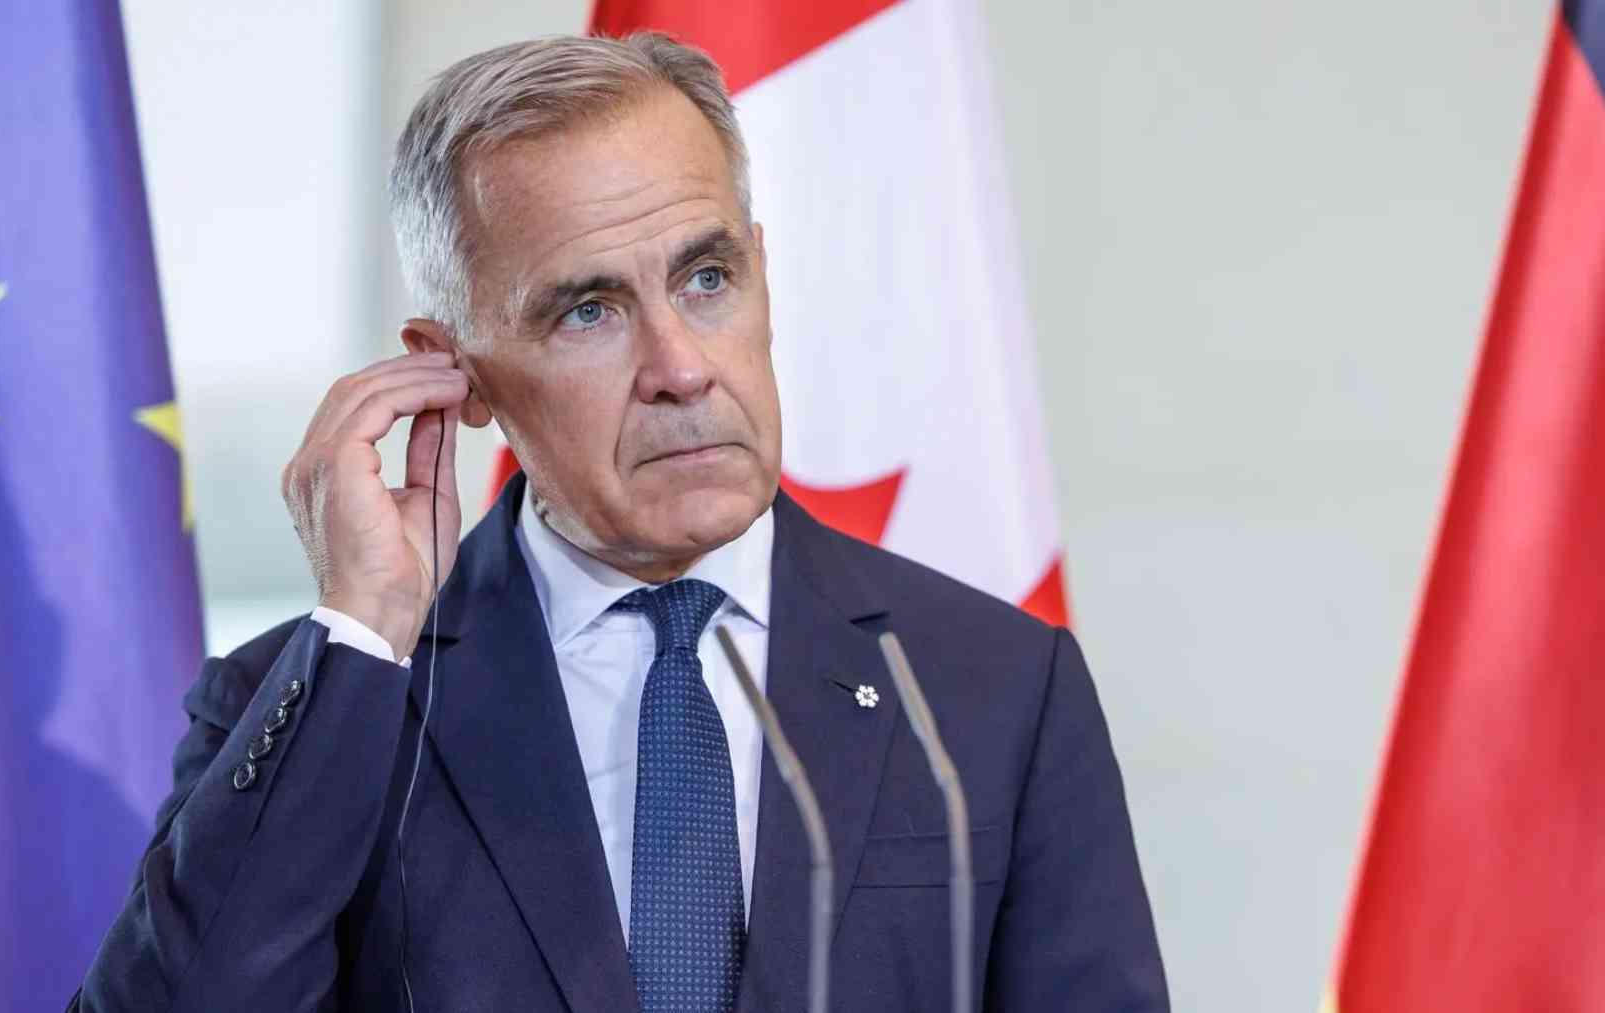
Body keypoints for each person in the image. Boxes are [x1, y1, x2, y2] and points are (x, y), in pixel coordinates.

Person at [73, 32, 1166, 1012]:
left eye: (705, 277)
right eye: (588, 310)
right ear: (454, 371)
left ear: (763, 274)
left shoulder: (997, 687)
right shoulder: (327, 697)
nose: (681, 368)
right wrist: (364, 629)